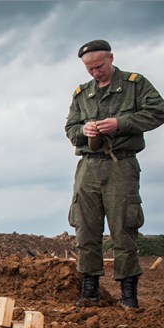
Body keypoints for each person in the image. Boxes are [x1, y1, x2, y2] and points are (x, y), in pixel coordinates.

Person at [65, 39, 164, 309]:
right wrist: (83, 130)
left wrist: (121, 123)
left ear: (110, 58)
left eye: (98, 66)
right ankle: (89, 291)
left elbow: (158, 111)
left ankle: (129, 296)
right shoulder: (81, 94)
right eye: (89, 69)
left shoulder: (134, 84)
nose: (95, 73)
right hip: (88, 167)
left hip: (121, 165)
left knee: (123, 230)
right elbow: (70, 127)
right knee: (85, 229)